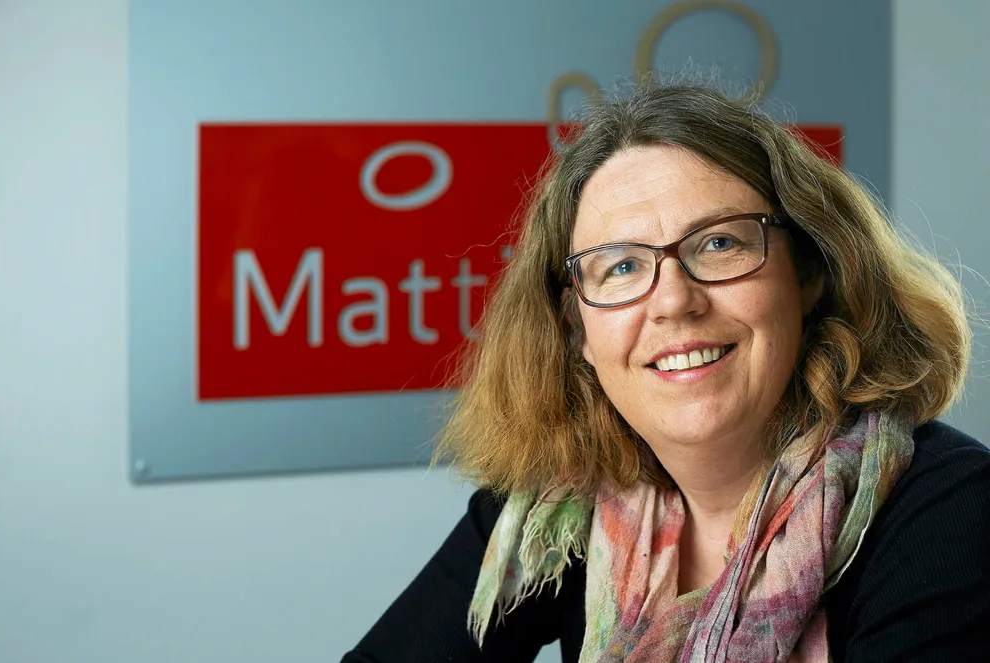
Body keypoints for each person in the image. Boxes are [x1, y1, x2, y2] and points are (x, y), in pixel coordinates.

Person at [341, 82, 990, 662]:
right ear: (577, 329)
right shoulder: (553, 512)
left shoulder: (955, 512)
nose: (674, 300)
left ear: (809, 272)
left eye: (720, 243)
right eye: (621, 266)